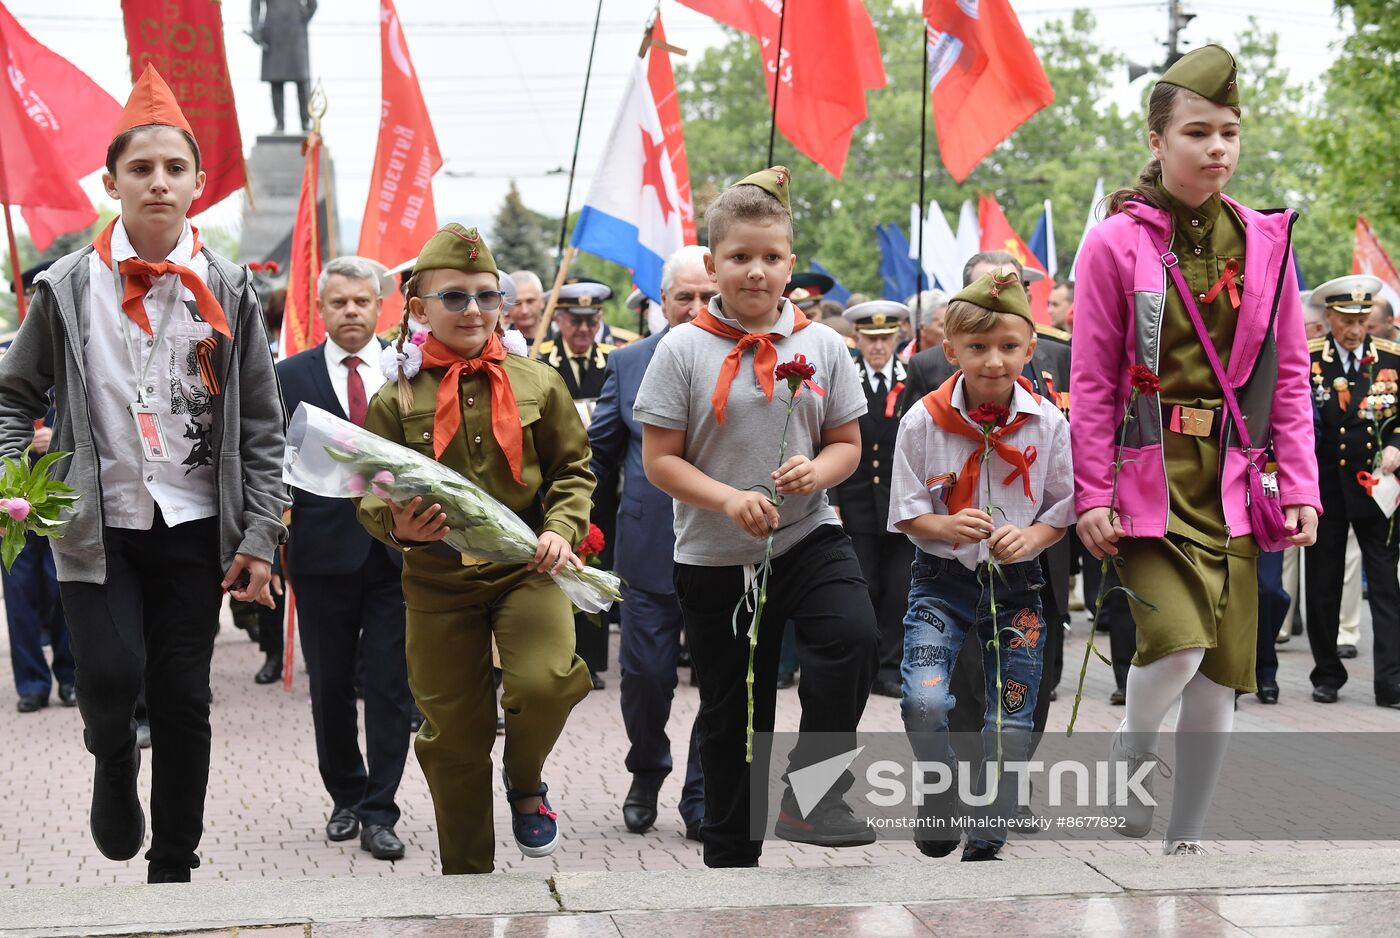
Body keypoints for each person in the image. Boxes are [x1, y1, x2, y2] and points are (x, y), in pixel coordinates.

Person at [0, 65, 288, 882]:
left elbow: (263, 425)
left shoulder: (230, 287)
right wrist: (16, 483)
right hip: (95, 525)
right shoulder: (64, 285)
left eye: (173, 168)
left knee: (184, 695)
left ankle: (175, 867)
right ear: (112, 181)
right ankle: (110, 754)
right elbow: (11, 397)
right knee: (112, 674)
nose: (157, 182)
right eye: (141, 168)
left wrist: (262, 533)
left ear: (198, 185)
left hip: (196, 526)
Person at [1072, 45, 1319, 856]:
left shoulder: (1268, 243)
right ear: (1157, 140)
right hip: (1148, 479)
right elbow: (1095, 380)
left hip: (1238, 482)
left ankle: (1187, 833)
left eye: (1230, 134)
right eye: (1198, 132)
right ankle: (1133, 751)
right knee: (1176, 647)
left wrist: (1302, 485)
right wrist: (1092, 494)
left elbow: (1288, 378)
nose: (1218, 148)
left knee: (1222, 673)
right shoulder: (1114, 242)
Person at [636, 166, 879, 868]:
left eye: (771, 257)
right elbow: (660, 462)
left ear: (791, 264)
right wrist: (727, 497)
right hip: (715, 557)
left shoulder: (824, 344)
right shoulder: (682, 348)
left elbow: (846, 445)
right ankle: (732, 860)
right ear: (713, 264)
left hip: (807, 533)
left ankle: (813, 795)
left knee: (854, 637)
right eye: (740, 257)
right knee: (736, 715)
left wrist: (817, 470)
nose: (756, 271)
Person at [357, 224, 594, 874]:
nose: (473, 311)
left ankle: (524, 783)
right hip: (436, 585)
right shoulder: (394, 397)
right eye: (454, 297)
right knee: (454, 743)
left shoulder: (538, 381)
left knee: (547, 681)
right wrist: (396, 526)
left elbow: (574, 470)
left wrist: (561, 529)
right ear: (417, 308)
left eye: (487, 297)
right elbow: (370, 489)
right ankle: (467, 887)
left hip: (527, 570)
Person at [889, 269, 1073, 861]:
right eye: (978, 347)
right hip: (942, 584)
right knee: (925, 700)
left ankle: (989, 828)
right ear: (951, 350)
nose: (994, 362)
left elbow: (1063, 507)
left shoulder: (1049, 423)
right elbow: (907, 509)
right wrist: (943, 525)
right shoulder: (922, 421)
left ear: (1030, 349)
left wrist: (1034, 537)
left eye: (1009, 347)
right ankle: (940, 790)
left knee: (1011, 709)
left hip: (1018, 588)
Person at [277, 256, 415, 860]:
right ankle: (346, 798)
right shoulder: (288, 376)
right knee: (330, 685)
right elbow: (271, 463)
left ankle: (382, 810)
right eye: (340, 303)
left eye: (362, 301)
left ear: (379, 305)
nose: (352, 311)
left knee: (391, 688)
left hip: (398, 555)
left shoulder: (406, 370)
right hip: (320, 554)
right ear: (322, 308)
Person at [589, 244, 712, 840]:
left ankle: (702, 793)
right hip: (647, 550)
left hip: (725, 549)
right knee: (644, 677)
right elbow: (596, 456)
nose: (695, 308)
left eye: (707, 297)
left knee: (718, 679)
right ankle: (646, 769)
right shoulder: (630, 363)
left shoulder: (752, 359)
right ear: (660, 303)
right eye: (683, 297)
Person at [1303, 274, 1400, 707]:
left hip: (1378, 493)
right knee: (1322, 587)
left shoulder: (1392, 359)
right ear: (1327, 317)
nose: (1355, 328)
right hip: (1324, 492)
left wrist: (1397, 445)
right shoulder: (1306, 360)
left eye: (1361, 319)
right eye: (1345, 318)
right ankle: (1327, 674)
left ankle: (1390, 681)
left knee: (1385, 588)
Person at [833, 300, 914, 698]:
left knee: (900, 589)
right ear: (857, 339)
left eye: (885, 338)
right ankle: (863, 666)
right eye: (870, 338)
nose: (878, 346)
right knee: (863, 588)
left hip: (901, 504)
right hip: (857, 501)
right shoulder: (845, 378)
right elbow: (828, 436)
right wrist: (832, 496)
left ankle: (890, 668)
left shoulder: (912, 379)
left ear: (898, 337)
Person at [537, 279, 614, 688]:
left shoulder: (611, 362)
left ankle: (591, 660)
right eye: (574, 321)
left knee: (598, 565)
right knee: (557, 566)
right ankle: (557, 654)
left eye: (590, 321)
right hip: (555, 486)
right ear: (560, 320)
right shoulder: (541, 362)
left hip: (601, 485)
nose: (583, 330)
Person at [507, 270, 544, 346]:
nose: (524, 310)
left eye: (530, 301)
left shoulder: (563, 336)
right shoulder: (501, 345)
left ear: (542, 301)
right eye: (517, 303)